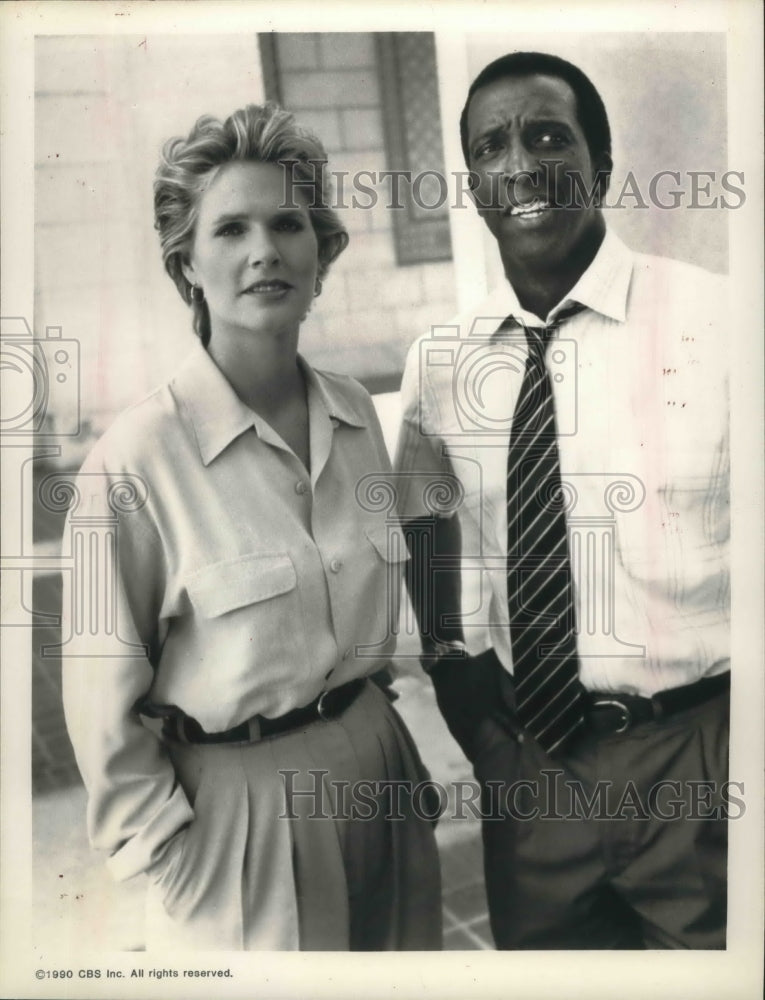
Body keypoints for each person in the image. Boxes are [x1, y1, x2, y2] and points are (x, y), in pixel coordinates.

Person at [62, 103, 441, 951]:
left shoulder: (354, 415)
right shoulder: (134, 461)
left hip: (380, 770)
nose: (264, 248)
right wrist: (171, 857)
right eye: (229, 229)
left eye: (287, 223)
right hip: (242, 813)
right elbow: (100, 712)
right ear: (186, 265)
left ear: (321, 255)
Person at [395, 52, 729, 949]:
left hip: (702, 760)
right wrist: (462, 692)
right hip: (532, 771)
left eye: (548, 135)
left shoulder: (723, 327)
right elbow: (423, 519)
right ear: (471, 185)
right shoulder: (442, 361)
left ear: (601, 165)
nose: (519, 165)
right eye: (490, 147)